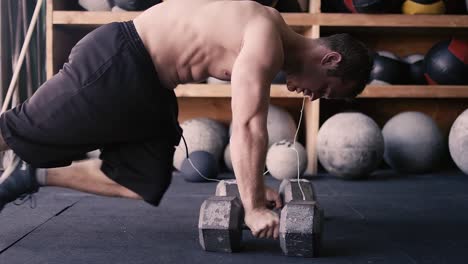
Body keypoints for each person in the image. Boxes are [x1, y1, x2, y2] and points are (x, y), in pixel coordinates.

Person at [0, 0, 373, 240]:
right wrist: (254, 208)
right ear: (330, 60)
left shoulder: (271, 29)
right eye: (324, 90)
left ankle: (30, 176)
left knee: (140, 180)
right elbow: (247, 125)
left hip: (152, 87)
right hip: (118, 58)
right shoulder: (264, 39)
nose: (313, 97)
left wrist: (255, 193)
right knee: (14, 129)